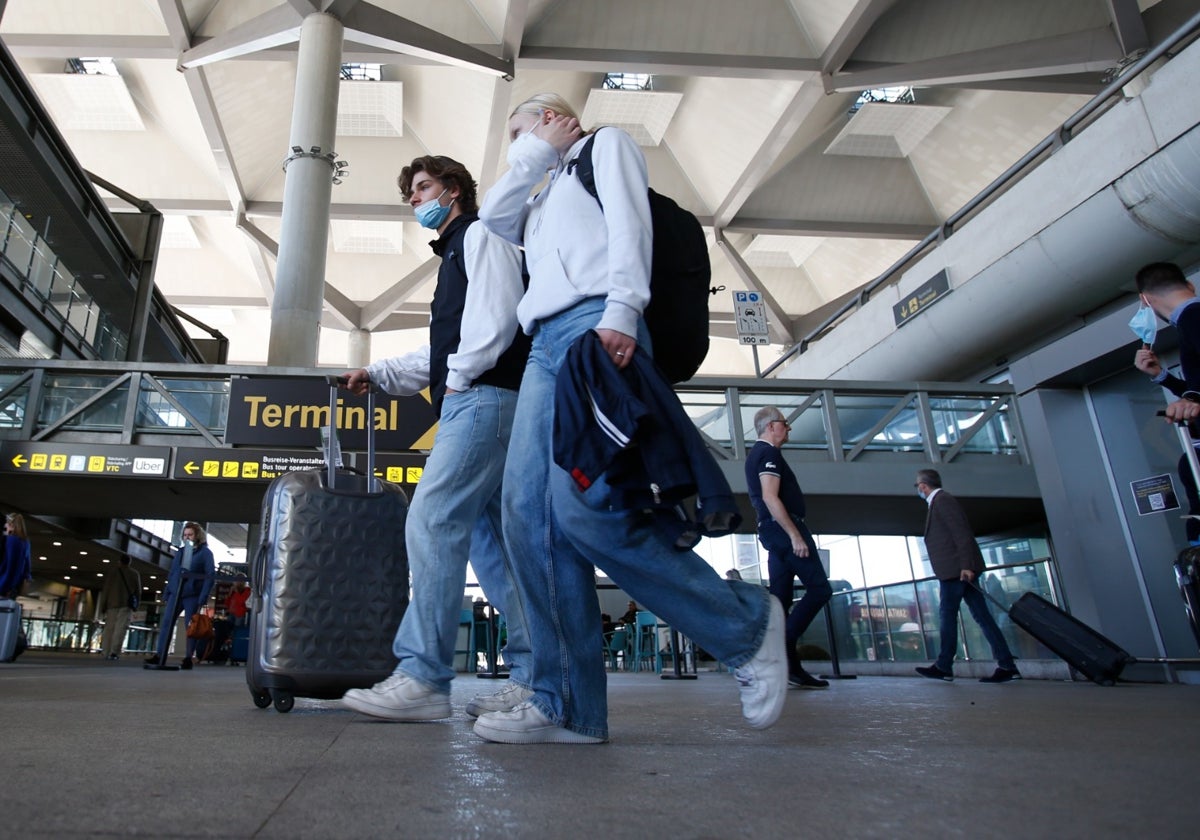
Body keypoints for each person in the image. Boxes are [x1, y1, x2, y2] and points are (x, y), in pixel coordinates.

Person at [472, 92, 786, 744]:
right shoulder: (535, 195)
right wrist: (533, 155)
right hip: (543, 350)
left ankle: (745, 628)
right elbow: (490, 221)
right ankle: (567, 707)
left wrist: (623, 308)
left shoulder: (602, 147)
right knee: (526, 518)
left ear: (555, 118)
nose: (514, 144)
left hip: (596, 327)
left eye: (519, 129)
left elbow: (628, 224)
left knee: (584, 511)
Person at [338, 154, 533, 721]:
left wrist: (460, 381)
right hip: (485, 398)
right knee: (494, 545)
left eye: (423, 188)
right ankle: (533, 674)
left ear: (453, 191)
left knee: (433, 519)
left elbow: (497, 321)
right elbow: (446, 347)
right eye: (410, 193)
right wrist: (378, 374)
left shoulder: (480, 236)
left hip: (481, 400)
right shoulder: (455, 253)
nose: (416, 200)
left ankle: (423, 677)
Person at [745, 406, 833, 689]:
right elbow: (771, 497)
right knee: (820, 589)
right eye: (785, 423)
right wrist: (795, 535)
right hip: (783, 529)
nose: (788, 428)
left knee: (779, 602)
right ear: (771, 426)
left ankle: (791, 669)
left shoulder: (758, 455)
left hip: (772, 531)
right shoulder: (767, 453)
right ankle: (780, 648)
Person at [913, 469, 1021, 683]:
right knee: (982, 617)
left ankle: (944, 666)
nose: (917, 489)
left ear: (924, 486)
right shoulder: (938, 503)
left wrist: (966, 565)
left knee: (947, 615)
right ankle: (1007, 665)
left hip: (956, 571)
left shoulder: (942, 501)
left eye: (917, 486)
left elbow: (961, 532)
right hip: (957, 570)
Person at [1132, 262, 1200, 544]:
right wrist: (1162, 376)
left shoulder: (1193, 319)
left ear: (1144, 300)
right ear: (1190, 286)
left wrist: (1193, 398)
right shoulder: (1188, 324)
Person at [145, 521, 214, 670]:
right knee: (167, 623)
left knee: (191, 626)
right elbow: (173, 573)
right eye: (185, 535)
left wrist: (203, 596)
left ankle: (188, 657)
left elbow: (210, 575)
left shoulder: (205, 554)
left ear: (197, 536)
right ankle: (160, 654)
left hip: (192, 595)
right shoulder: (181, 552)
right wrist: (167, 592)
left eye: (190, 534)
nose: (187, 537)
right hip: (175, 594)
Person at [100, 555, 141, 661]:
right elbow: (138, 591)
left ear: (119, 561)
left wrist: (103, 604)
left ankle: (106, 650)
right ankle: (114, 651)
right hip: (126, 605)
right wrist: (136, 604)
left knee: (109, 629)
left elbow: (106, 589)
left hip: (112, 604)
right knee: (120, 629)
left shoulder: (112, 573)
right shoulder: (134, 574)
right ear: (129, 562)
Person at [1, 513, 32, 600]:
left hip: (4, 583)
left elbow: (8, 565)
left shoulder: (9, 540)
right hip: (15, 587)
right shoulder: (26, 542)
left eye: (6, 523)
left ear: (11, 525)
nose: (5, 525)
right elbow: (27, 566)